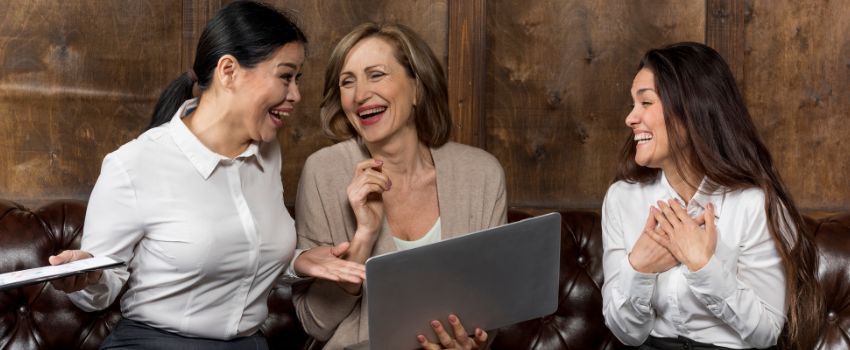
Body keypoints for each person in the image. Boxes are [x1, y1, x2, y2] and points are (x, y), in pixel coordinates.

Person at [47, 1, 364, 349]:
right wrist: (87, 275)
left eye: (297, 79)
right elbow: (100, 291)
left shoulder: (267, 154)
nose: (296, 95)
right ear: (228, 71)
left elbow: (237, 254)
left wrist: (298, 263)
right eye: (285, 76)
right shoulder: (134, 163)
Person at [292, 23, 507, 350]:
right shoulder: (324, 172)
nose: (360, 95)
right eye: (347, 82)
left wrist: (470, 342)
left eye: (376, 75)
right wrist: (363, 237)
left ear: (418, 88)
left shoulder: (481, 174)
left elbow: (491, 304)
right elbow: (315, 323)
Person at [601, 42, 823, 349]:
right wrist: (639, 267)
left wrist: (703, 265)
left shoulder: (754, 203)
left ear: (691, 109)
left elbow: (766, 333)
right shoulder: (621, 199)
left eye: (646, 103)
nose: (630, 118)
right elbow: (627, 333)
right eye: (632, 105)